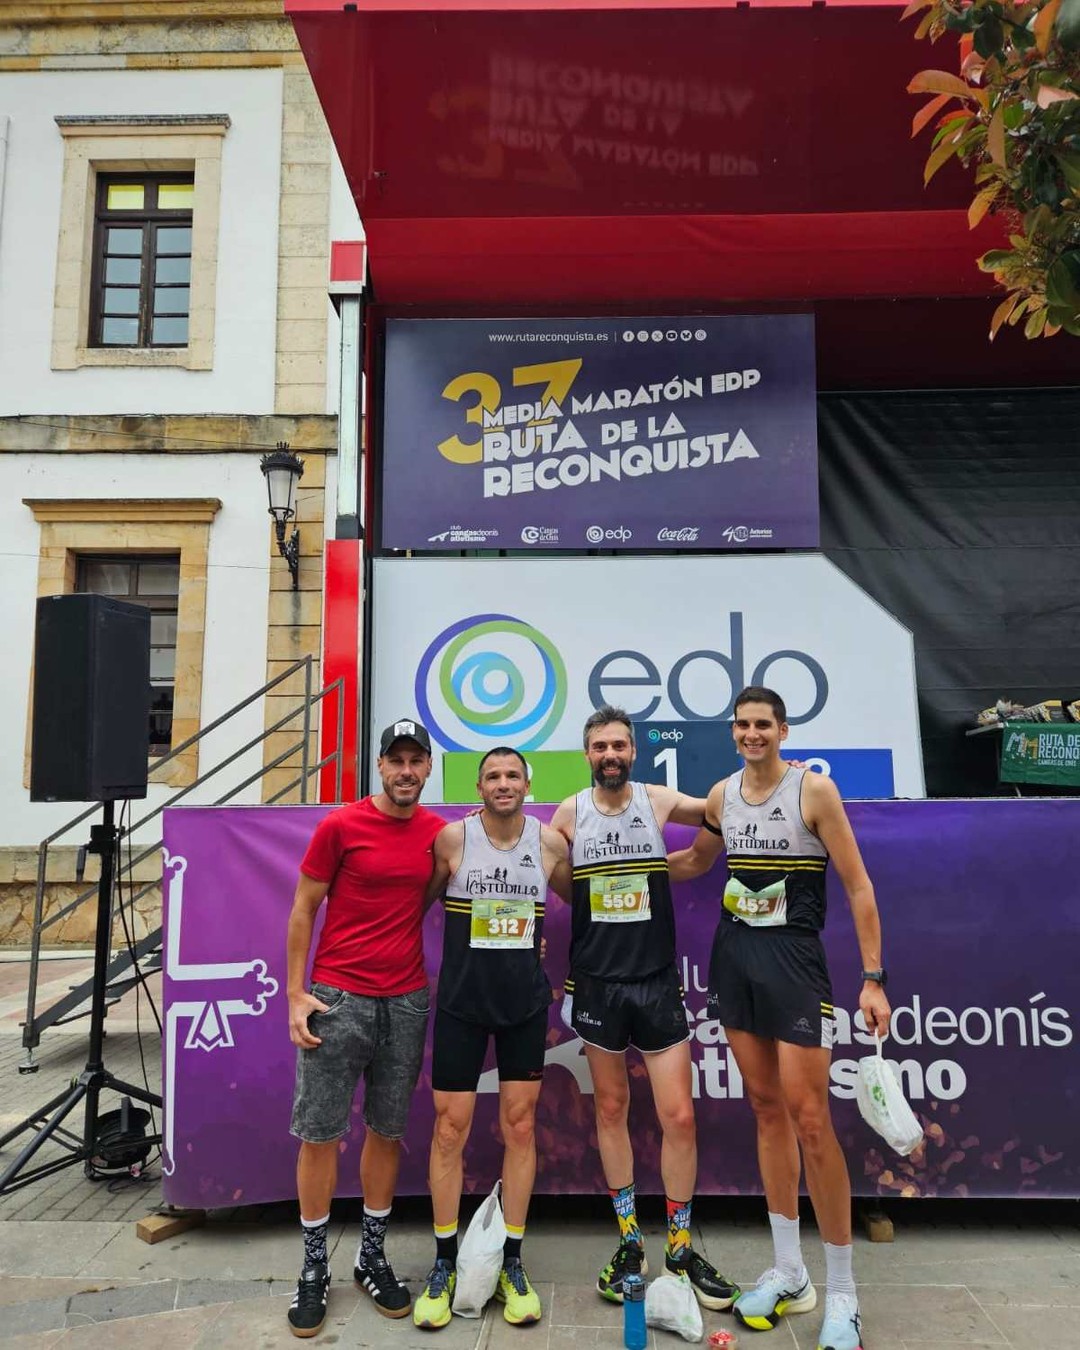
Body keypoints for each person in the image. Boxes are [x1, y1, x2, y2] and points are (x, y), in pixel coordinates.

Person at [668, 686, 891, 1350]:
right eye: (741, 725)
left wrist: (874, 977)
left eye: (762, 724)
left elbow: (858, 885)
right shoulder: (720, 796)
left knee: (811, 1119)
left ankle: (843, 1292)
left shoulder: (813, 793)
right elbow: (697, 862)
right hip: (735, 960)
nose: (751, 734)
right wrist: (619, 871)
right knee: (766, 1108)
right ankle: (791, 1272)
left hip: (795, 964)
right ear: (732, 732)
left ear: (783, 730)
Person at [550, 706, 740, 1311]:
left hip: (657, 983)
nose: (610, 754)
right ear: (587, 754)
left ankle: (679, 1248)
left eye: (620, 745)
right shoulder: (568, 814)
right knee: (611, 1108)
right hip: (599, 985)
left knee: (678, 1115)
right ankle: (631, 1241)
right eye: (600, 745)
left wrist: (687, 863)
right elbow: (562, 883)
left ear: (634, 752)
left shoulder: (656, 800)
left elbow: (718, 815)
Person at [284, 719, 444, 1339]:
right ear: (379, 766)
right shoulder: (340, 825)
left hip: (405, 1000)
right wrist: (298, 993)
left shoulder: (439, 835)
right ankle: (313, 1265)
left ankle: (369, 1255)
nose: (406, 771)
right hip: (337, 1000)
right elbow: (303, 908)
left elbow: (433, 899)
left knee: (387, 1131)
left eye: (416, 761)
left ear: (428, 768)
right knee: (320, 1135)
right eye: (396, 760)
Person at [413, 747, 572, 1331]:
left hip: (523, 1007)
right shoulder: (452, 841)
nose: (503, 784)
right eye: (493, 776)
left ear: (528, 784)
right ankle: (444, 1261)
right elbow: (414, 905)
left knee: (520, 1126)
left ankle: (511, 1259)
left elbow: (588, 904)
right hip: (460, 1006)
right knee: (449, 1129)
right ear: (477, 785)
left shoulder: (550, 844)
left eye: (512, 775)